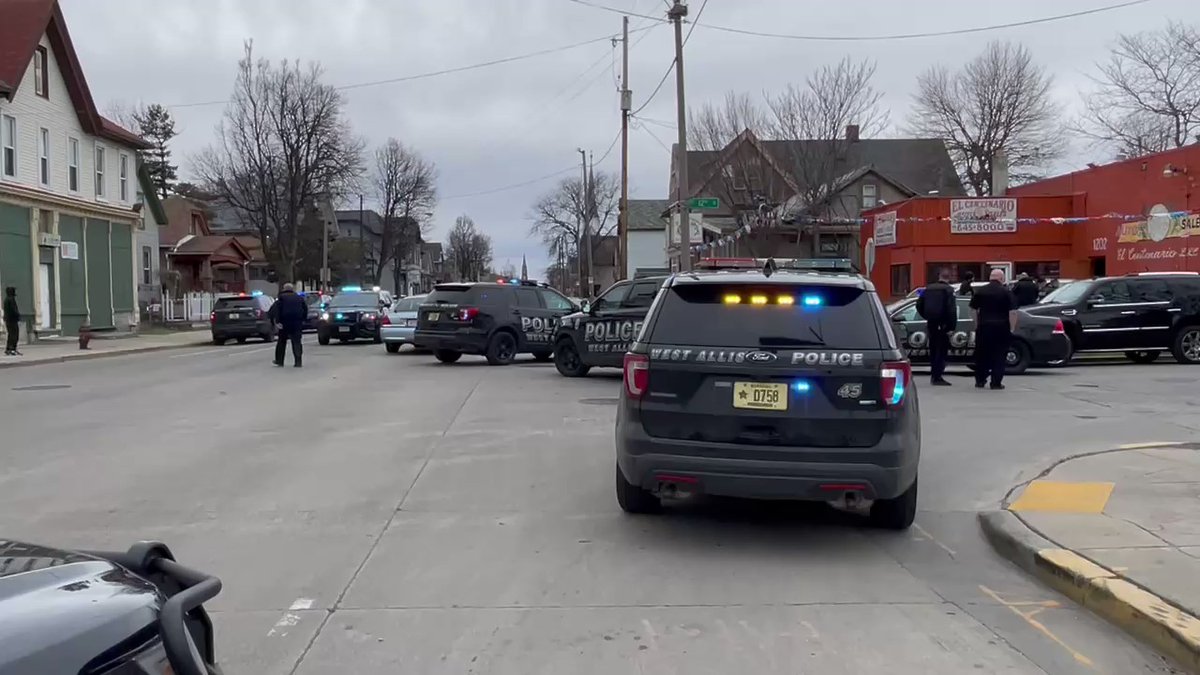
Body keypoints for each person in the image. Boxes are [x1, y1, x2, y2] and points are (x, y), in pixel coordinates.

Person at [969, 269, 1019, 390]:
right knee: (999, 355)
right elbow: (1012, 312)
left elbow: (973, 309)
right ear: (1001, 278)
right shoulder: (1006, 292)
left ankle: (980, 380)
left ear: (990, 277)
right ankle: (996, 382)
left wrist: (977, 324)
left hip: (984, 326)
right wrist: (1012, 328)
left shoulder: (981, 291)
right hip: (1001, 327)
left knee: (982, 354)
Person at [916, 270, 956, 386]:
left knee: (933, 350)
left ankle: (934, 374)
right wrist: (951, 326)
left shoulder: (927, 288)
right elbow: (951, 309)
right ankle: (937, 376)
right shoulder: (948, 290)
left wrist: (926, 316)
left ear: (939, 276)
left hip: (931, 323)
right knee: (941, 350)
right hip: (943, 324)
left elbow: (918, 304)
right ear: (949, 278)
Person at [268, 283, 307, 367]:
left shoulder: (281, 298)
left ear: (284, 289)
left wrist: (277, 322)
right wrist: (303, 319)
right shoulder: (299, 298)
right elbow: (305, 309)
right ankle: (298, 361)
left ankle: (279, 360)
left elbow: (277, 310)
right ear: (292, 289)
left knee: (282, 342)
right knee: (296, 342)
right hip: (297, 322)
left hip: (285, 322)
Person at [3, 286, 20, 356]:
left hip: (8, 320)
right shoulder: (11, 299)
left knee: (10, 334)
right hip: (12, 320)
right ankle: (12, 348)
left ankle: (8, 349)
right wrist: (18, 315)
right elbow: (13, 310)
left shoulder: (6, 299)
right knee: (14, 334)